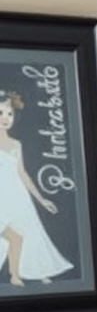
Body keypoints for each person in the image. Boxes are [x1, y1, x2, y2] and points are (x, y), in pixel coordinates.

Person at [0, 86, 73, 286]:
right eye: (0, 113)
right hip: (1, 198)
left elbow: (22, 173)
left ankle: (37, 269)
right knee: (15, 236)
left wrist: (41, 199)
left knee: (32, 232)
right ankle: (14, 275)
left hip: (19, 195)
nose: (5, 118)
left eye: (9, 113)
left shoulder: (16, 144)